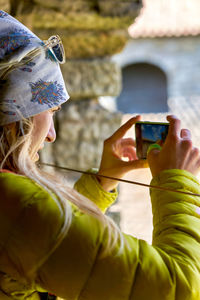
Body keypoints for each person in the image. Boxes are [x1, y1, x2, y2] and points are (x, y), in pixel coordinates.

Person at [0, 10, 200, 300]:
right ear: (15, 110)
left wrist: (101, 183)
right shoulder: (14, 203)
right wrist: (174, 183)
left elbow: (52, 250)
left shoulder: (17, 210)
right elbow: (180, 287)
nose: (51, 134)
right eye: (49, 110)